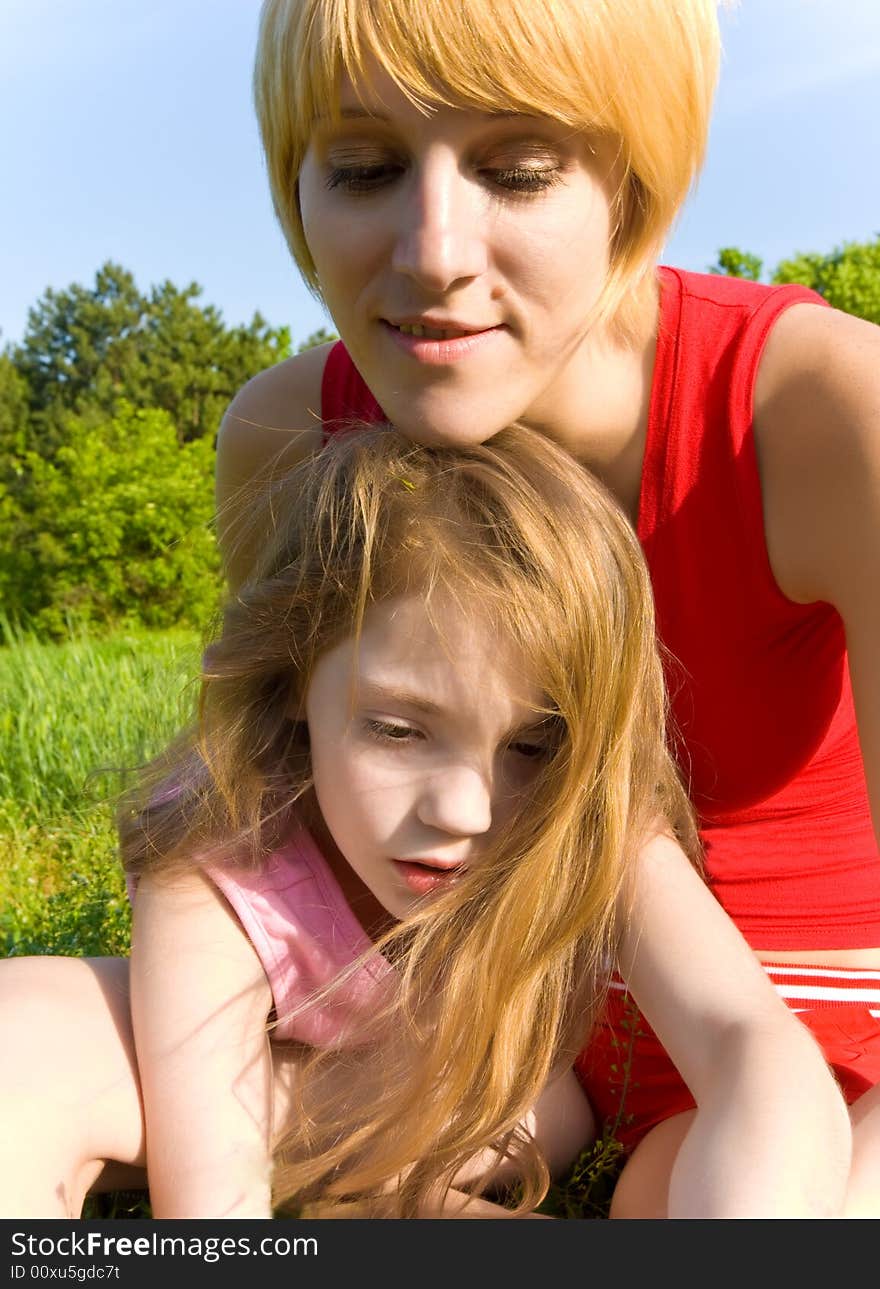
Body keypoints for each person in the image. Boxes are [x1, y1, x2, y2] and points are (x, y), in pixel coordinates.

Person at [0, 0, 876, 1219]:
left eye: (517, 171)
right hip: (472, 1031)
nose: (434, 251)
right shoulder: (286, 435)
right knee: (21, 1038)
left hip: (816, 1038)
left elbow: (761, 1060)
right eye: (362, 167)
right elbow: (250, 821)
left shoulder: (828, 407)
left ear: (635, 182)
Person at [1, 423, 851, 1219]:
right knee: (25, 1022)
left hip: (507, 1111)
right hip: (292, 1095)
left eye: (531, 744)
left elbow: (749, 1039)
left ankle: (392, 1198)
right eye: (399, 730)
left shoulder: (582, 808)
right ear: (295, 674)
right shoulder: (222, 852)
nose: (464, 809)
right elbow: (211, 1197)